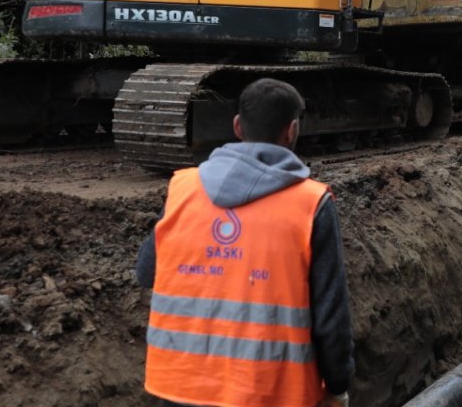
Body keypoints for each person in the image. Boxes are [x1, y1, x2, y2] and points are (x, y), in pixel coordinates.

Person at [135, 78, 353, 407]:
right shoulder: (311, 204)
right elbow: (330, 319)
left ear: (237, 126)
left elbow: (146, 272)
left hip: (176, 387)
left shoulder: (183, 189)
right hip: (270, 393)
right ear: (291, 130)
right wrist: (338, 385)